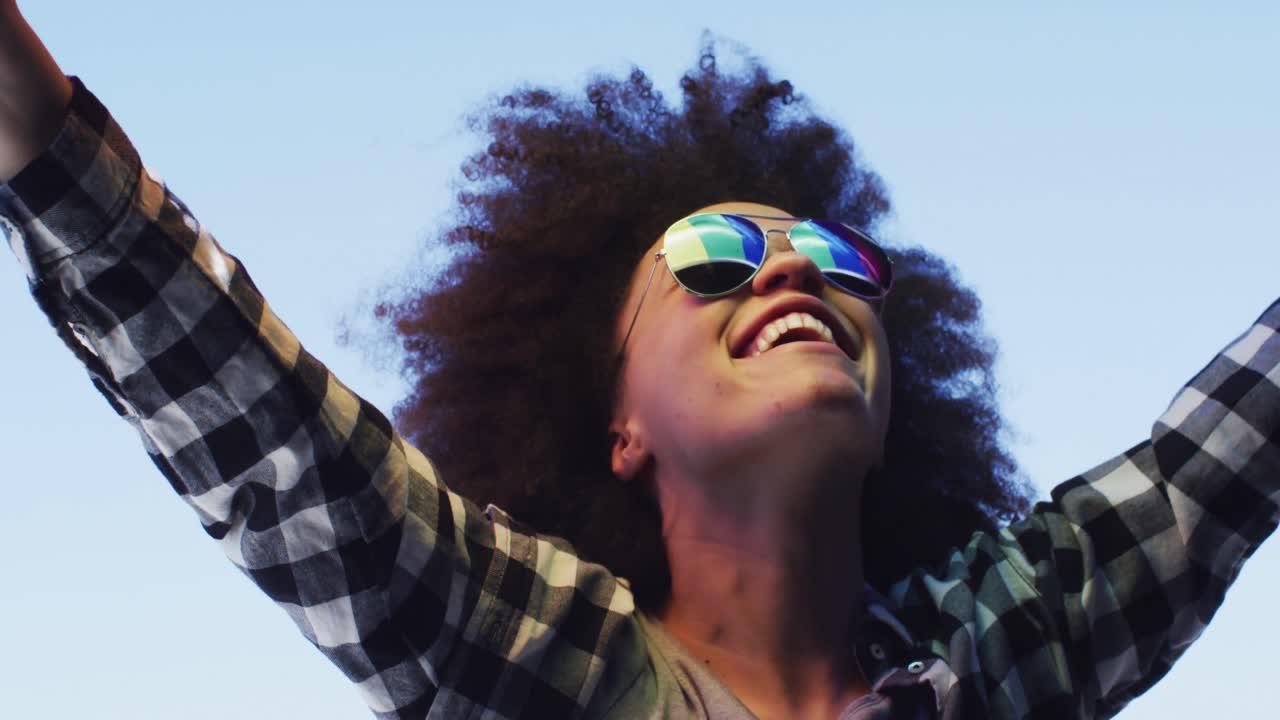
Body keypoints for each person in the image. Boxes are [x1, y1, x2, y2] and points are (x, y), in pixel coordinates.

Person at [2, 4, 1277, 719]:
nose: (791, 272)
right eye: (711, 259)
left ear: (891, 414)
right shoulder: (540, 668)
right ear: (617, 424)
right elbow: (271, 434)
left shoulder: (999, 655)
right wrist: (35, 138)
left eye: (837, 261)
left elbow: (1206, 467)